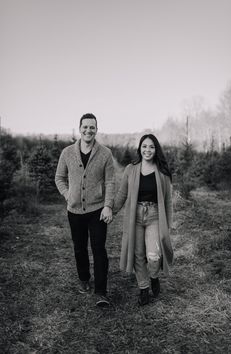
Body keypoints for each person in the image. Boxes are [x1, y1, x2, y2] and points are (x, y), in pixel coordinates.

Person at [55, 113, 115, 307]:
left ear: (97, 129)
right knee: (79, 248)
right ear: (80, 128)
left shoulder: (105, 153)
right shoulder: (67, 153)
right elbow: (59, 178)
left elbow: (110, 182)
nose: (88, 130)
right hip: (74, 211)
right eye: (85, 126)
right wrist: (67, 195)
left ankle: (101, 291)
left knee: (99, 250)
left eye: (92, 127)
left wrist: (107, 206)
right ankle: (83, 278)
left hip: (97, 210)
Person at [114, 134, 173, 306]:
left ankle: (154, 277)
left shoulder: (162, 172)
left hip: (155, 215)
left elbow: (168, 200)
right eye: (144, 146)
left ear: (156, 150)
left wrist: (167, 225)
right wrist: (111, 210)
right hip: (135, 216)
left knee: (154, 255)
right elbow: (122, 194)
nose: (148, 150)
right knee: (138, 254)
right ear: (140, 148)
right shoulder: (131, 169)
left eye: (151, 147)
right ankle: (143, 288)